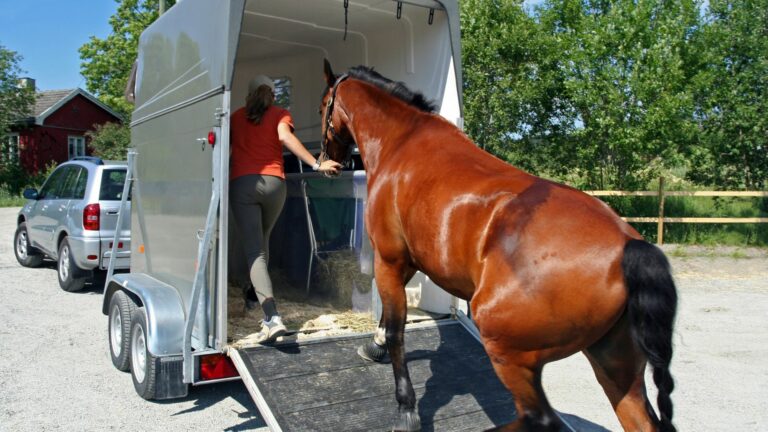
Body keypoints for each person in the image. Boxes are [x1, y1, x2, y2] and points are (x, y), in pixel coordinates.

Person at [230, 75, 341, 343]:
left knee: (254, 251)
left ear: (248, 95)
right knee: (263, 244)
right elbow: (284, 138)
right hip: (275, 185)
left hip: (244, 183)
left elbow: (228, 151)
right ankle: (253, 294)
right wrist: (316, 164)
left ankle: (271, 318)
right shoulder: (280, 114)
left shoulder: (235, 117)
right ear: (272, 94)